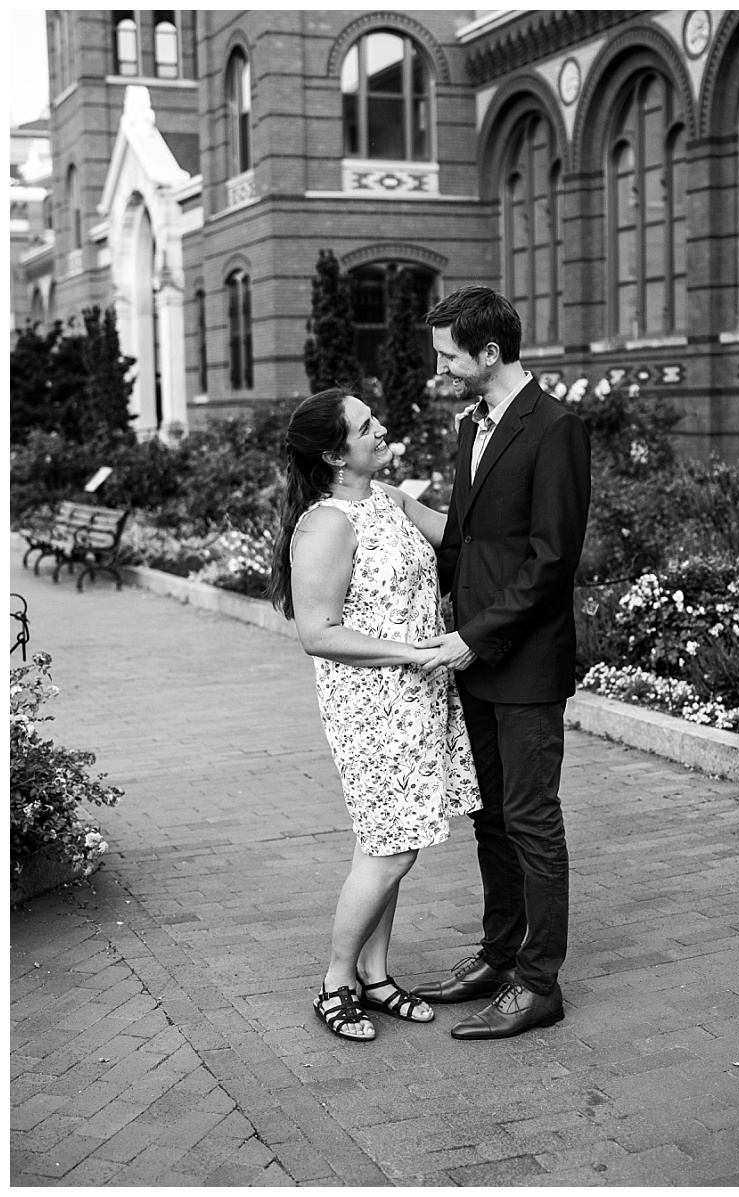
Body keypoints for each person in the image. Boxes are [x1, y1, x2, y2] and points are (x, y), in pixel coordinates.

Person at [266, 388, 481, 1042]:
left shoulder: (388, 499)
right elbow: (318, 631)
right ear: (334, 453)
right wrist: (411, 651)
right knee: (393, 847)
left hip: (418, 694)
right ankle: (336, 980)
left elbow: (465, 534)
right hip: (373, 705)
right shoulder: (327, 523)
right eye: (366, 425)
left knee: (385, 840)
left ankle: (376, 973)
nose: (381, 427)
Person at [408, 286, 592, 1040]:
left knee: (532, 820)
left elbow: (552, 559)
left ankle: (539, 984)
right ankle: (496, 954)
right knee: (490, 818)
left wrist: (476, 637)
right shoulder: (468, 425)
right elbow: (469, 537)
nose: (440, 366)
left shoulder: (556, 427)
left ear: (489, 353)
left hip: (522, 660)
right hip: (473, 656)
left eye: (449, 354)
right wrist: (399, 507)